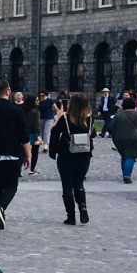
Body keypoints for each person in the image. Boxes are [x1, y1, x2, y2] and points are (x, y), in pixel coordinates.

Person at [0, 80, 27, 230]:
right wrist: (28, 155)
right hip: (12, 153)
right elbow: (24, 135)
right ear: (8, 92)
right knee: (11, 185)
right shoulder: (16, 110)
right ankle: (1, 207)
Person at [50, 93, 94, 224]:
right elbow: (93, 135)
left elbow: (54, 133)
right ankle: (83, 207)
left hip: (66, 155)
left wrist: (53, 151)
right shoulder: (89, 120)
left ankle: (71, 216)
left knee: (67, 185)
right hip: (84, 156)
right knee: (79, 183)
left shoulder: (65, 119)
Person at [110, 96, 137, 183]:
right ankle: (127, 175)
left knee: (124, 155)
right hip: (134, 138)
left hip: (119, 139)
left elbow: (110, 127)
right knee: (130, 156)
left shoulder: (117, 115)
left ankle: (124, 173)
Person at [23, 94, 42, 174]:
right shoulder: (36, 111)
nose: (38, 101)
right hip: (34, 133)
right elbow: (36, 124)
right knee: (35, 152)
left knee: (22, 151)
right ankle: (32, 170)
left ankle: (19, 171)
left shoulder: (24, 109)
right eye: (37, 100)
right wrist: (38, 135)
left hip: (25, 132)